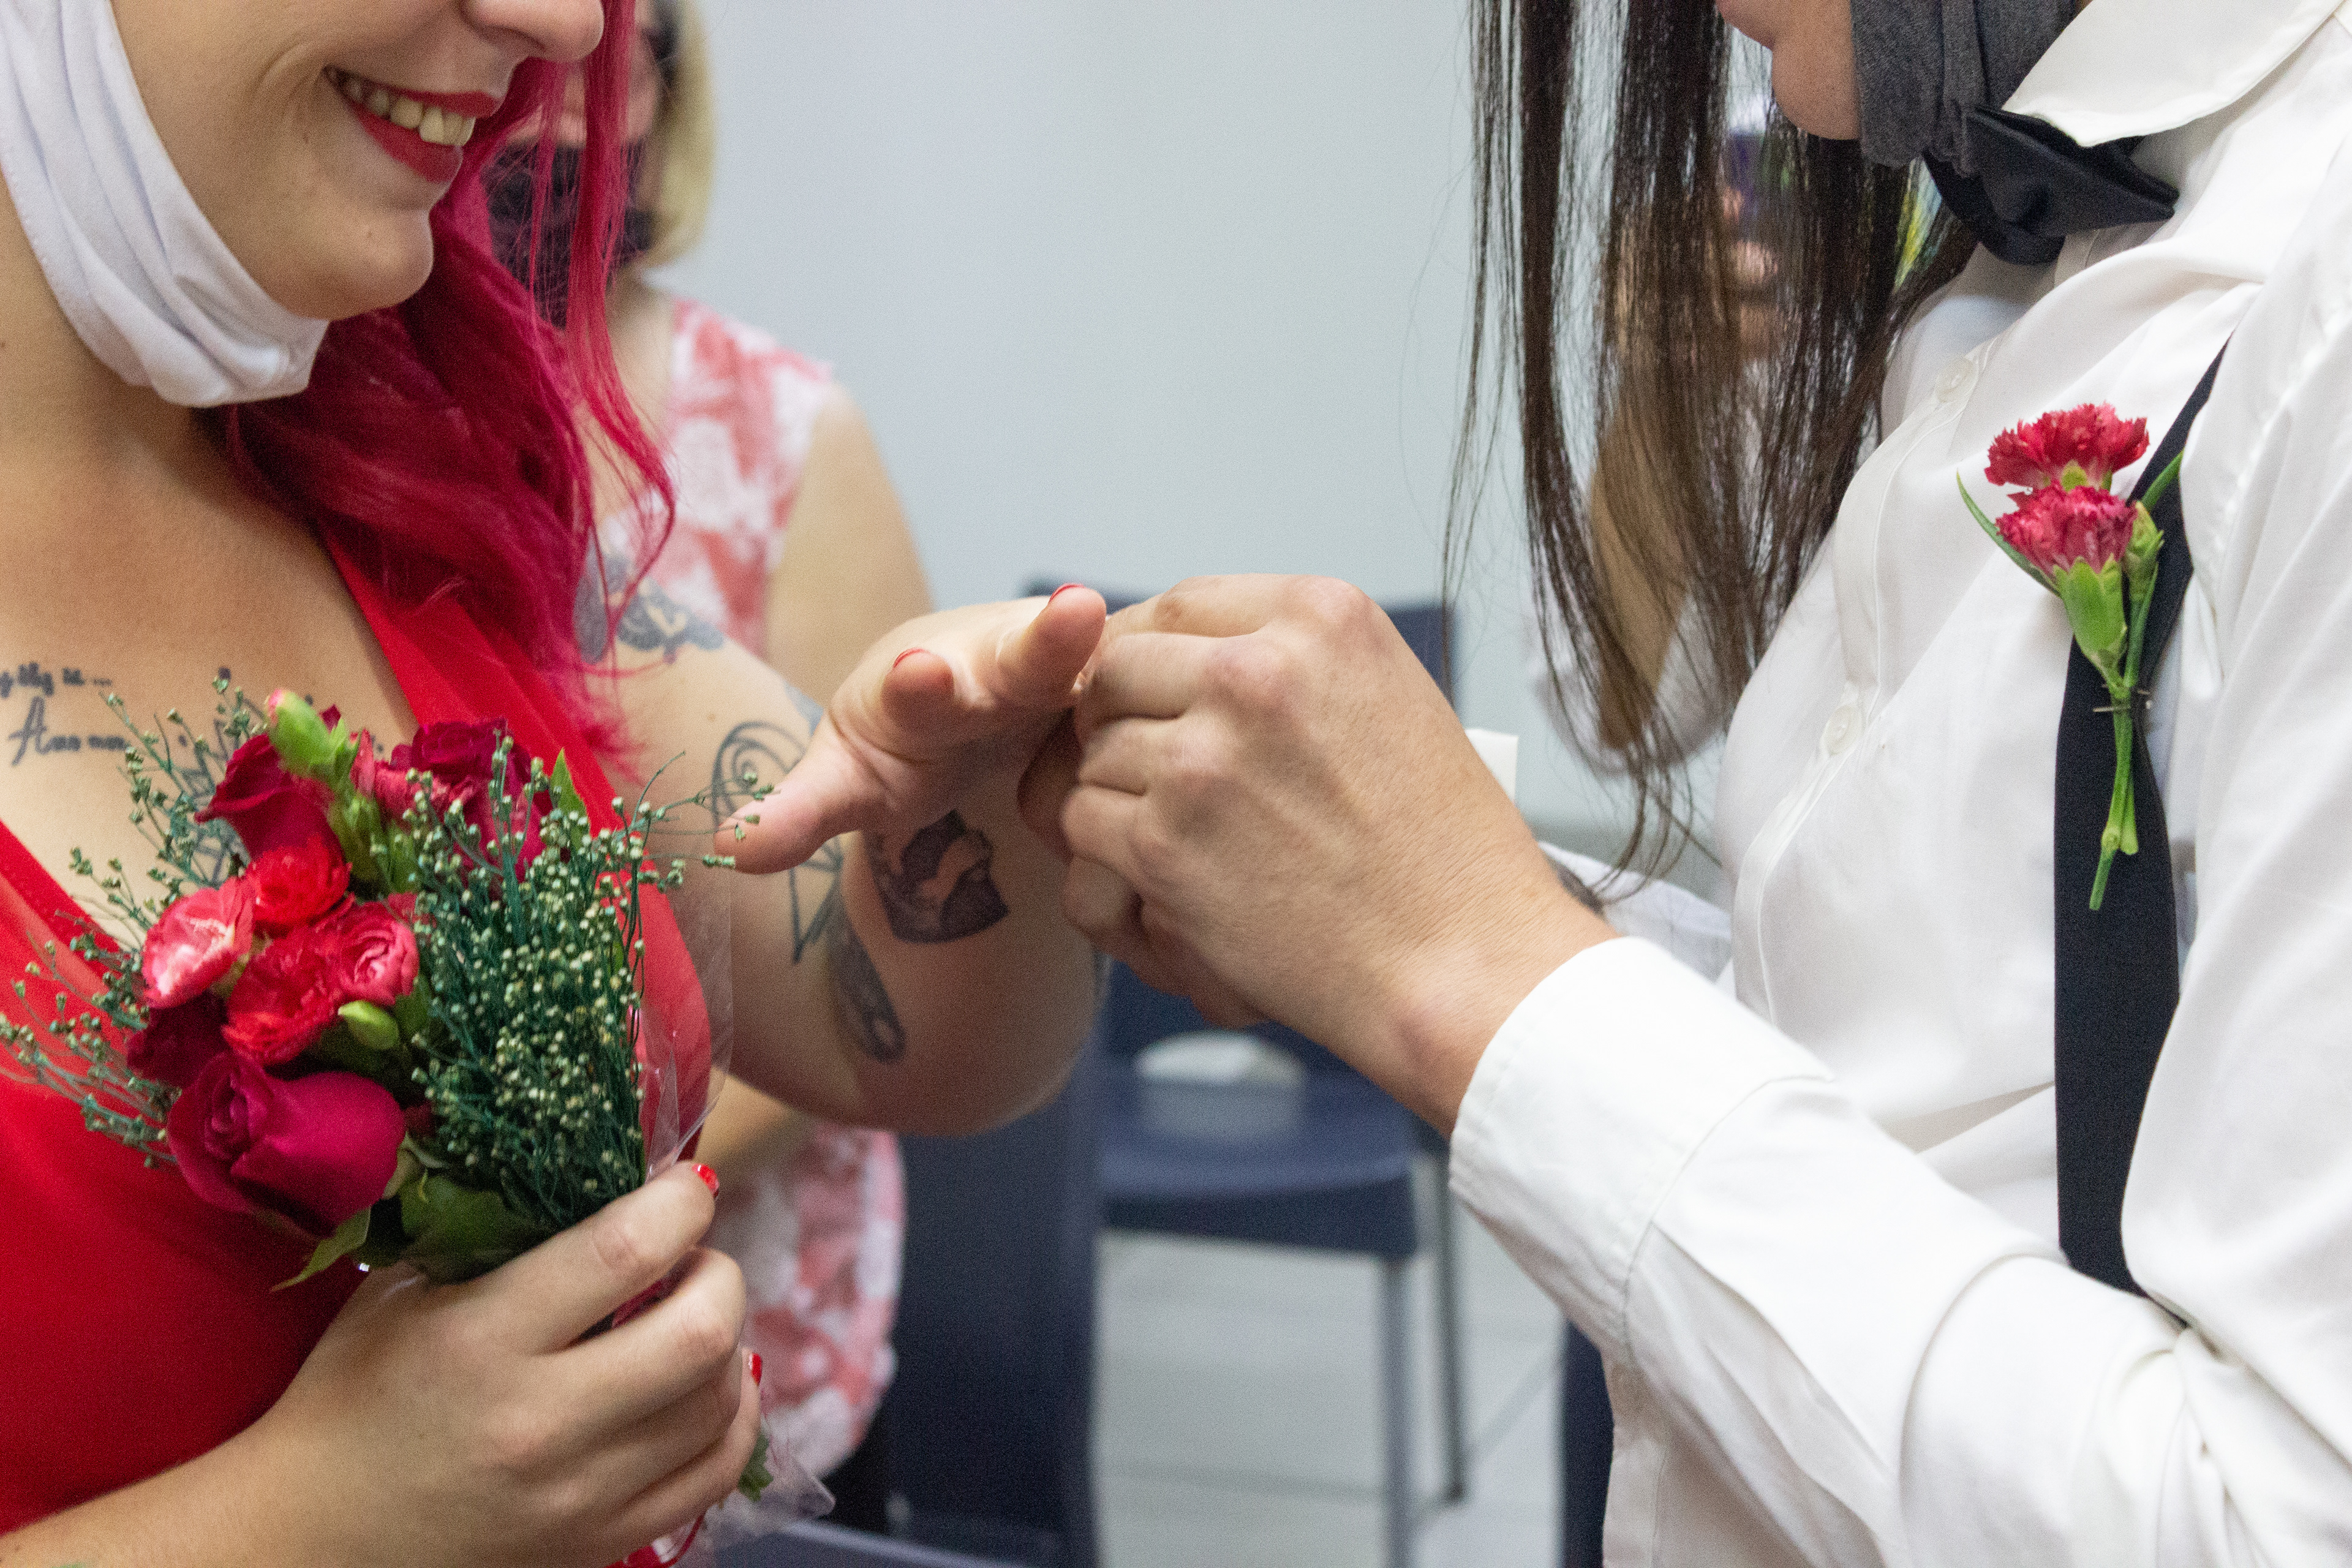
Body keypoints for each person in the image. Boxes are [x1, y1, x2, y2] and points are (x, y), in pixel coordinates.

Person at [760, 0, 2352, 1561]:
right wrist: (1377, 893)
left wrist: (1478, 970)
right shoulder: (2018, 248)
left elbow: (2277, 1513)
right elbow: (1944, 1043)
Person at [0, 1, 1099, 1563]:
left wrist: (1006, 787)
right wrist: (315, 1522)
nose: (561, 20)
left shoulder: (405, 497)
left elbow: (911, 1020)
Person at [486, 0, 922, 1524]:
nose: (547, 101)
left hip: (727, 1306)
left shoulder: (785, 430)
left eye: (610, 61)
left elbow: (883, 916)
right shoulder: (316, 422)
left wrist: (564, 1196)